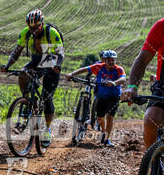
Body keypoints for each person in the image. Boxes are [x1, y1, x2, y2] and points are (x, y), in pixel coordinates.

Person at [0, 9, 64, 148]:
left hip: (50, 60)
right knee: (23, 72)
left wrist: (57, 66)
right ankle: (27, 100)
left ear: (41, 23)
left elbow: (60, 54)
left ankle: (47, 129)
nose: (33, 30)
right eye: (31, 27)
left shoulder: (51, 32)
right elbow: (17, 52)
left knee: (47, 97)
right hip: (36, 59)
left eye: (36, 27)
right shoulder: (25, 32)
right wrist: (7, 65)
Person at [66, 50, 126, 147]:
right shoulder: (98, 67)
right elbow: (84, 69)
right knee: (100, 117)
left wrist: (115, 82)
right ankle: (103, 131)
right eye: (109, 60)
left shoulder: (119, 69)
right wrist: (72, 74)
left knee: (110, 117)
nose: (111, 62)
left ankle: (106, 139)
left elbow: (123, 79)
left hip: (114, 96)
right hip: (101, 96)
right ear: (104, 60)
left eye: (113, 60)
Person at [122, 17, 164, 150]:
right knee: (151, 119)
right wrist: (132, 87)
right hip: (163, 84)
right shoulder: (161, 26)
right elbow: (142, 60)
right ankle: (152, 163)